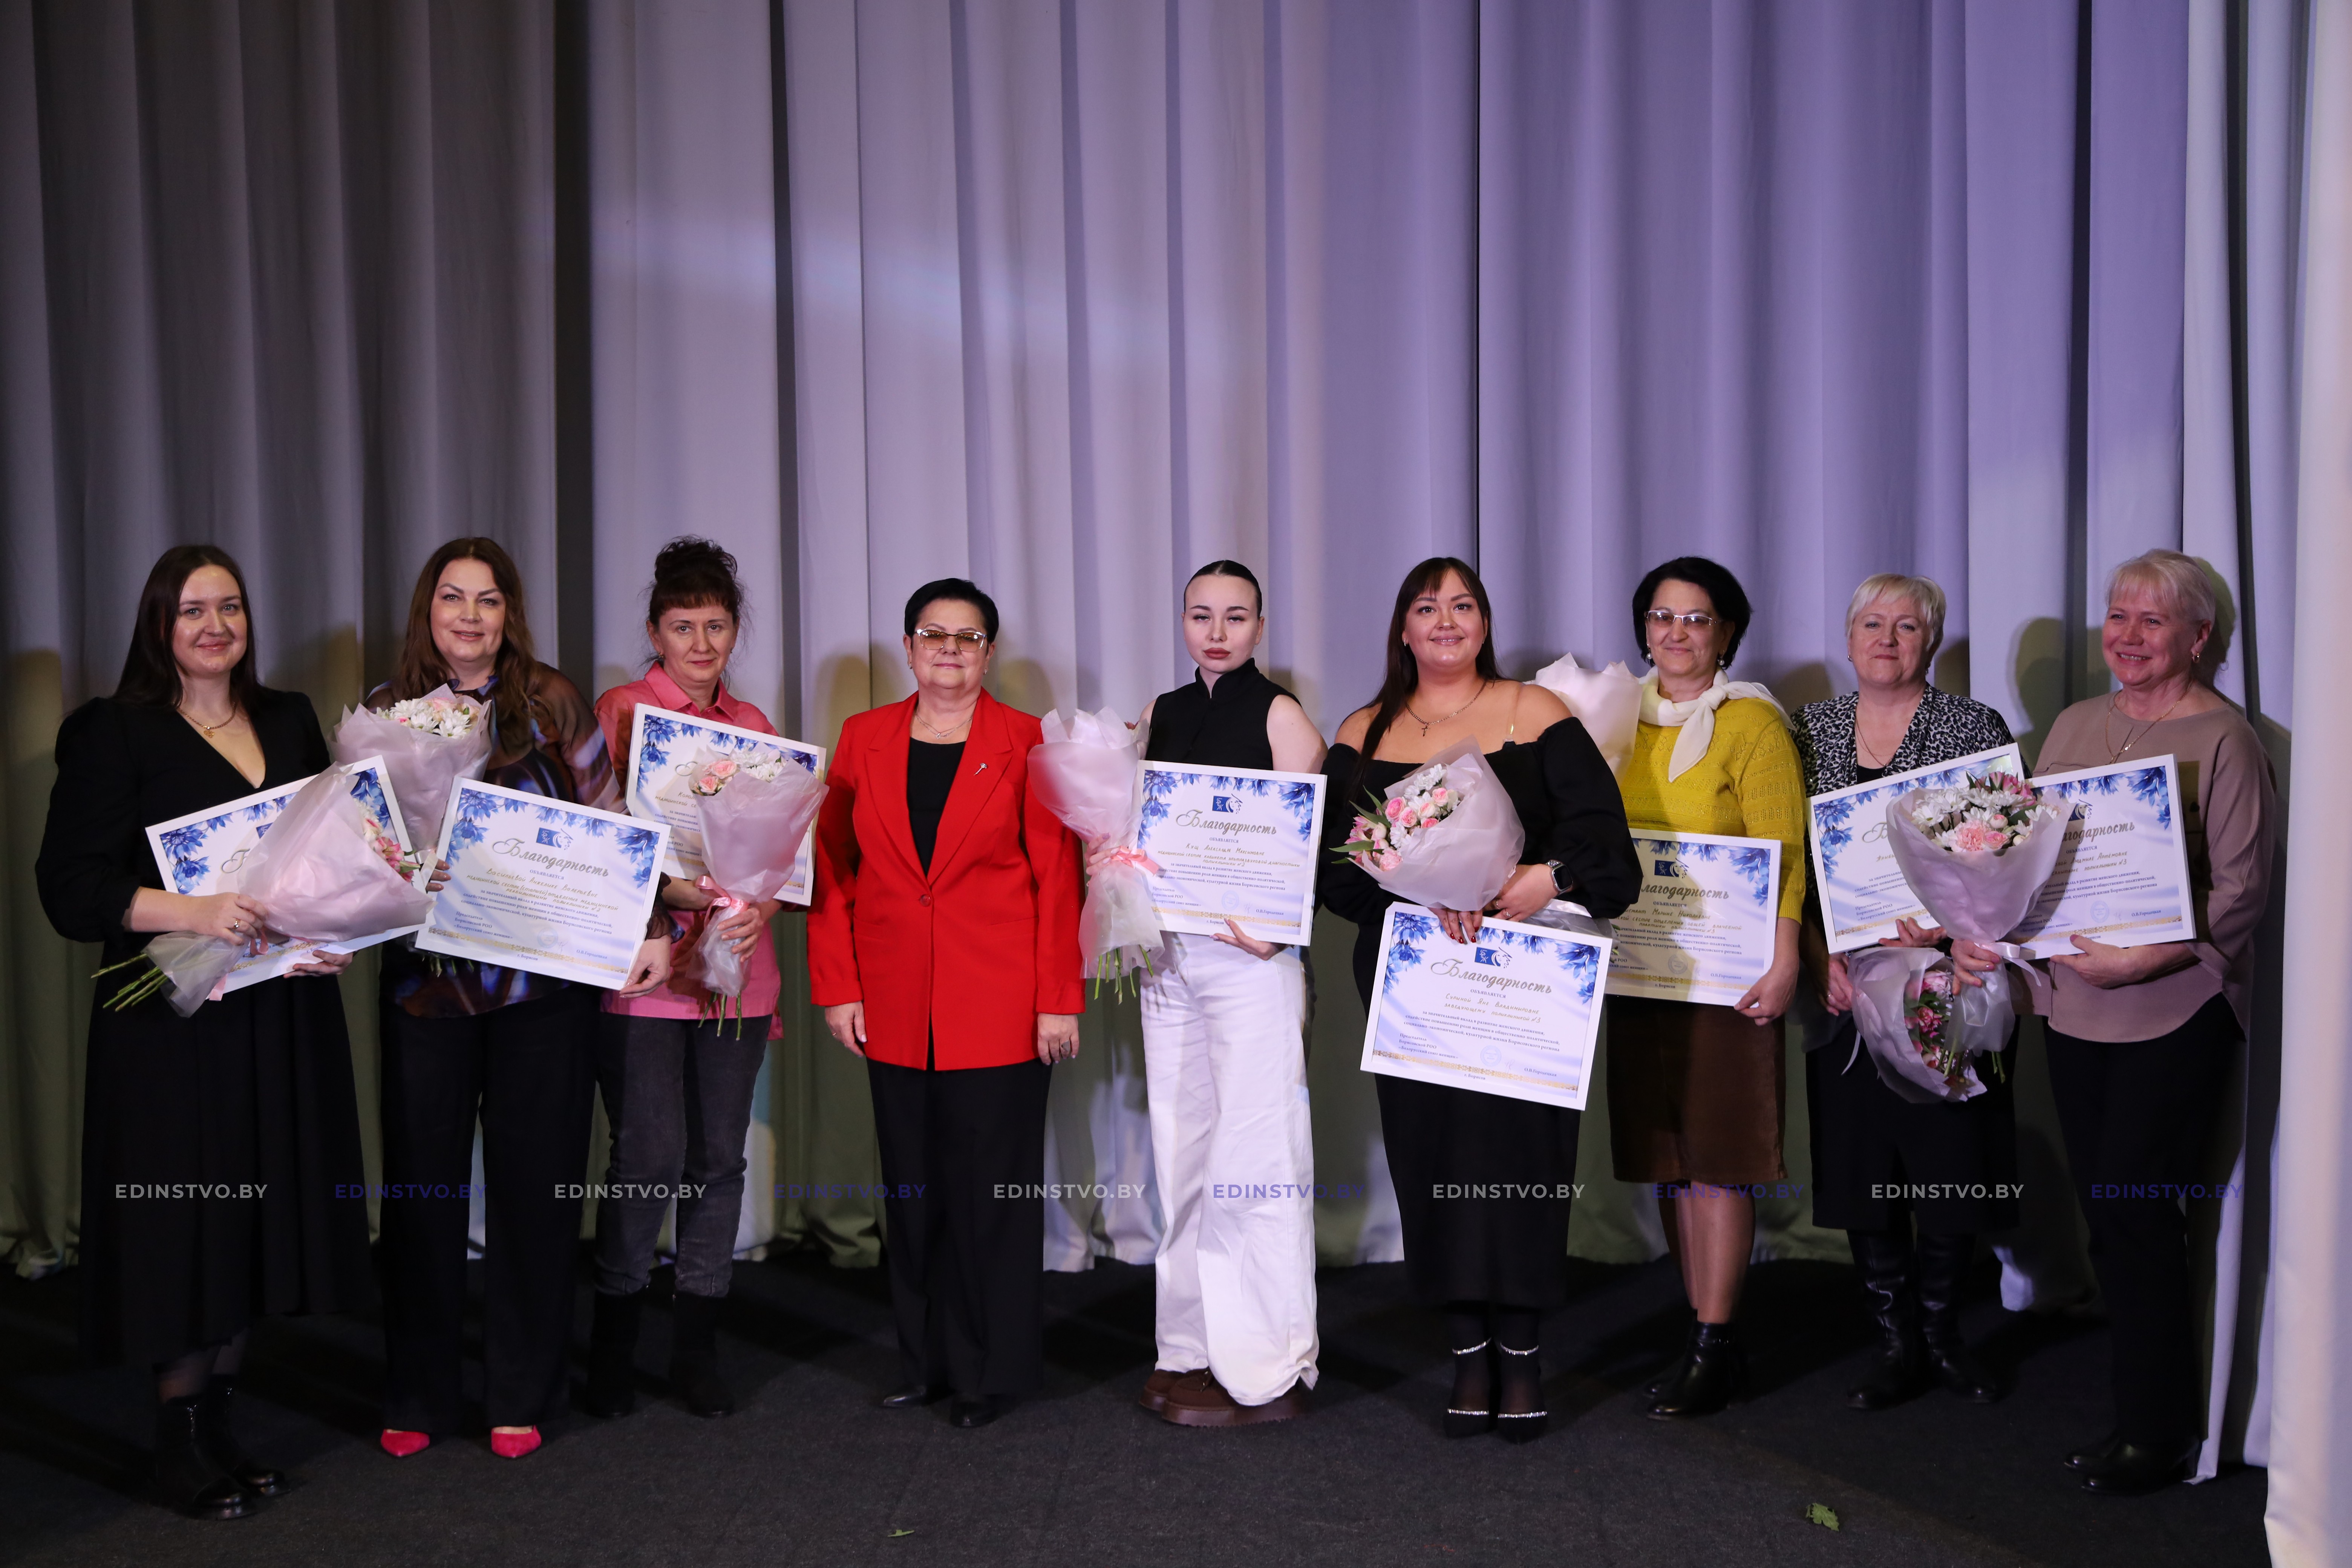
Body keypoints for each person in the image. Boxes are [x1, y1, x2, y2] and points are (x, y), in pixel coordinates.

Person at [36, 545, 374, 1518]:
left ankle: (219, 1424)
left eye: (229, 607)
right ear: (159, 625)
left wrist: (330, 936)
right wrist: (194, 912)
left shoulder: (290, 718)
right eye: (192, 610)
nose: (215, 626)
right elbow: (70, 888)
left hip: (279, 1010)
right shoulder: (113, 731)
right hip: (173, 1029)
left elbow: (325, 865)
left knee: (256, 1219)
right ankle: (175, 1440)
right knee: (189, 1224)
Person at [1318, 557, 1640, 1443]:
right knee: (1432, 1155)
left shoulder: (1535, 712)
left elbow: (1609, 850)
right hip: (1416, 978)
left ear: (1485, 624)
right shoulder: (1362, 728)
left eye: (1463, 605)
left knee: (1524, 1153)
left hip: (1526, 977)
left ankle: (1523, 1352)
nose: (1447, 620)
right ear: (1404, 628)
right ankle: (1466, 1352)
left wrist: (1548, 877)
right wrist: (1422, 898)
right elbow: (1335, 874)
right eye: (1428, 607)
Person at [1974, 549, 2273, 1495]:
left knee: (2140, 1216)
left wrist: (2147, 959)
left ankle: (2161, 1432)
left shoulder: (2226, 739)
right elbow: (2026, 856)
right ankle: (2139, 1414)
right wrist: (1986, 924)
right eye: (2119, 616)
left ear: (2199, 636)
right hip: (2074, 1007)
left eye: (2153, 620)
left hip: (2175, 1010)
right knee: (2109, 1215)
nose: (2129, 636)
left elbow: (2242, 892)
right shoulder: (2074, 725)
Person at [372, 538, 672, 1461]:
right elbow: (359, 843)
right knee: (421, 1193)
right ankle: (418, 1390)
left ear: (510, 613)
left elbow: (612, 814)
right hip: (425, 990)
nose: (470, 616)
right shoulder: (386, 710)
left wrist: (654, 924)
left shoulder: (550, 701)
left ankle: (519, 1391)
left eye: (488, 599)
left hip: (543, 987)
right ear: (427, 610)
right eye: (452, 597)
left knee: (535, 1190)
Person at [808, 578, 1085, 1430]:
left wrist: (1058, 999)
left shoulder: (1027, 740)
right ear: (909, 647)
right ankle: (923, 1362)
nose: (951, 651)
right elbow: (832, 868)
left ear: (989, 653)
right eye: (935, 635)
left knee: (990, 1199)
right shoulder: (863, 738)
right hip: (893, 1000)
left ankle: (989, 1372)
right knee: (913, 1191)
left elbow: (1057, 876)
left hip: (1001, 1003)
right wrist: (839, 985)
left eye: (968, 638)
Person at [1792, 574, 2018, 1412]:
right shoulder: (1807, 732)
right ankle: (1894, 1343)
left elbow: (2005, 854)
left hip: (1948, 979)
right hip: (1843, 984)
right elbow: (1789, 862)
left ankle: (1943, 1335)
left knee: (1951, 1160)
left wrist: (1955, 930)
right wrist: (1816, 955)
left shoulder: (1972, 728)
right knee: (1864, 1164)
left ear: (1933, 640)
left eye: (1908, 626)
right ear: (1849, 636)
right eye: (1873, 624)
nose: (1887, 639)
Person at [586, 538, 790, 1421]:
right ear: (654, 632)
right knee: (648, 1155)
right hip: (648, 966)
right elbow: (598, 839)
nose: (701, 644)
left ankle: (696, 1346)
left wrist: (760, 910)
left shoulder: (755, 726)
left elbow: (785, 858)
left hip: (738, 970)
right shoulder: (622, 711)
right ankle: (614, 1341)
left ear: (734, 630)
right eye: (683, 627)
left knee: (717, 1159)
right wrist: (664, 898)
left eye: (715, 626)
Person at [1130, 562, 1328, 1427]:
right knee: (1181, 1151)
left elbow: (1313, 836)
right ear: (1182, 620)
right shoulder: (1162, 713)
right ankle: (1190, 1345)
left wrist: (1282, 927)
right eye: (1202, 615)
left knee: (1257, 1158)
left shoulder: (1282, 715)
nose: (1217, 632)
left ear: (1260, 626)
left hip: (1250, 960)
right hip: (1170, 955)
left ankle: (1270, 1362)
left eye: (1236, 616)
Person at [1608, 555, 1805, 1419]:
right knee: (1669, 1160)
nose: (1677, 633)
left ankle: (1716, 1340)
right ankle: (1702, 1328)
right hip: (1640, 970)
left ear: (1727, 632)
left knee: (1719, 1158)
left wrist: (1786, 957)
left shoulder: (1752, 723)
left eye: (1696, 618)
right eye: (1662, 616)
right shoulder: (1613, 715)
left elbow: (1784, 852)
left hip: (1729, 975)